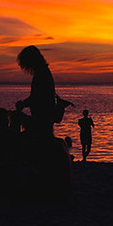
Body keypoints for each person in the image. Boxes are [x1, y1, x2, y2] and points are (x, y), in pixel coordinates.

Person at [16, 45, 72, 200]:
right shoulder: (44, 73)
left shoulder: (41, 75)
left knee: (33, 149)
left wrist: (24, 104)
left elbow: (39, 97)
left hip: (42, 118)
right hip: (43, 117)